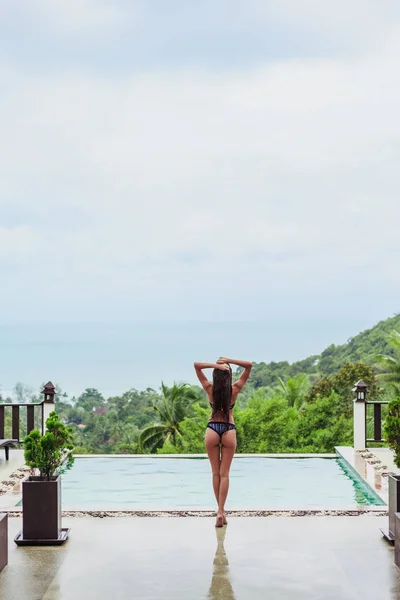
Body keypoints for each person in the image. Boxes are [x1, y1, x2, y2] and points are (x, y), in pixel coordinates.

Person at [194, 356, 252, 527]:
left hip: (212, 428)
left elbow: (196, 365)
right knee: (225, 473)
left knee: (215, 473)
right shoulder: (235, 390)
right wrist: (229, 362)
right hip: (228, 429)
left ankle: (219, 512)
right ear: (228, 375)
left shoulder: (209, 389)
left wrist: (215, 365)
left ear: (216, 375)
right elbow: (249, 365)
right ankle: (221, 511)